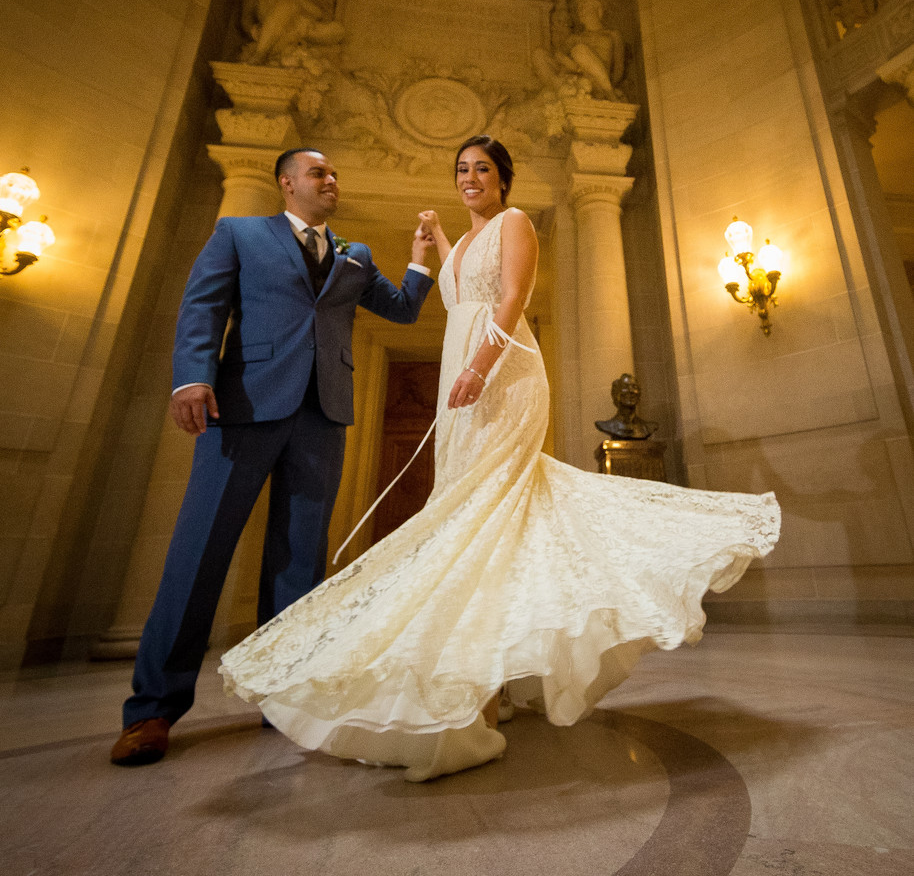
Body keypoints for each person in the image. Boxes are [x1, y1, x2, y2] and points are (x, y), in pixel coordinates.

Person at [220, 136, 780, 782]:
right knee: (494, 529)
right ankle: (499, 686)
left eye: (481, 169)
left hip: (504, 381)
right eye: (461, 170)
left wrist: (481, 369)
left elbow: (511, 300)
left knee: (474, 528)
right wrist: (427, 248)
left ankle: (474, 702)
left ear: (503, 180)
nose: (469, 178)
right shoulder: (462, 247)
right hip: (459, 394)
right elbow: (452, 301)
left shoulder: (516, 224)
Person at [109, 148, 434, 766]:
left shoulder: (354, 253)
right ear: (287, 184)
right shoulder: (239, 234)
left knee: (299, 563)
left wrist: (418, 264)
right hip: (243, 407)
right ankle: (152, 710)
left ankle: (283, 700)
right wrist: (191, 377)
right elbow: (203, 305)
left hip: (323, 414)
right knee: (200, 551)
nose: (331, 179)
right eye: (318, 173)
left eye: (334, 173)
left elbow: (401, 309)